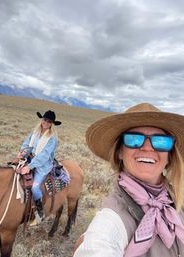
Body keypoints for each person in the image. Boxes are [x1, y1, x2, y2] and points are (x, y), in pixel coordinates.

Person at [74, 102, 184, 257]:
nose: (147, 147)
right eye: (134, 139)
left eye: (160, 141)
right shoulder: (111, 221)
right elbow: (98, 246)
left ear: (169, 156)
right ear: (120, 152)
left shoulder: (176, 201)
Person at [17, 110, 61, 223]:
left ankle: (40, 212)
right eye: (45, 120)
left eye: (49, 121)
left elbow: (44, 156)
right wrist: (22, 152)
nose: (46, 122)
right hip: (30, 159)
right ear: (42, 120)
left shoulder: (52, 139)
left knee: (35, 188)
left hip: (43, 165)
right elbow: (27, 144)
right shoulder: (35, 133)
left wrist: (30, 166)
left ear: (52, 124)